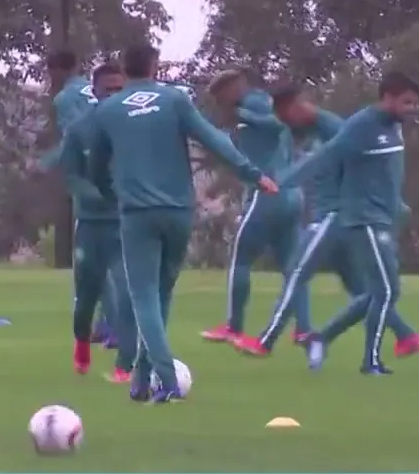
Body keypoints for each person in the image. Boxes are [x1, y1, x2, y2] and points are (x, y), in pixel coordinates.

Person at [74, 44, 278, 402]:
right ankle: (141, 381)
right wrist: (252, 173)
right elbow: (214, 138)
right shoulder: (174, 101)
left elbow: (95, 167)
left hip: (138, 215)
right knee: (162, 293)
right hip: (179, 213)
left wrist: (110, 192)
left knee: (143, 299)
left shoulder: (107, 111)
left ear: (125, 69)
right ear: (154, 66)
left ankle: (165, 377)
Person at [233, 83, 419, 357]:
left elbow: (354, 164)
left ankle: (265, 341)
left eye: (286, 117)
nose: (287, 125)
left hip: (335, 215)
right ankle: (406, 336)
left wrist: (281, 183)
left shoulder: (338, 128)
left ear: (297, 108)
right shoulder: (318, 131)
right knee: (360, 287)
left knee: (296, 273)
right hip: (344, 218)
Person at [200, 71, 312, 347]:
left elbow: (276, 125)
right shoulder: (261, 103)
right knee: (292, 267)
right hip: (292, 193)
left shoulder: (253, 105)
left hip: (268, 194)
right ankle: (304, 328)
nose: (221, 102)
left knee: (240, 259)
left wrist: (245, 117)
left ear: (234, 87)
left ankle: (233, 326)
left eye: (221, 95)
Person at [59, 62, 140, 381]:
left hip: (127, 222)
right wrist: (97, 195)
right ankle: (82, 341)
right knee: (87, 297)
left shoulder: (134, 128)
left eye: (121, 89)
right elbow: (71, 177)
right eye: (109, 89)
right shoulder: (80, 130)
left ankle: (125, 364)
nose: (115, 95)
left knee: (127, 291)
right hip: (91, 226)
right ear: (94, 91)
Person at [42, 49, 117, 347]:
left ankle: (111, 325)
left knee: (93, 261)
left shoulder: (65, 98)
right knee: (115, 257)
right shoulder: (95, 88)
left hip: (91, 179)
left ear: (57, 71)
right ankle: (105, 324)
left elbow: (76, 135)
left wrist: (47, 163)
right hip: (120, 177)